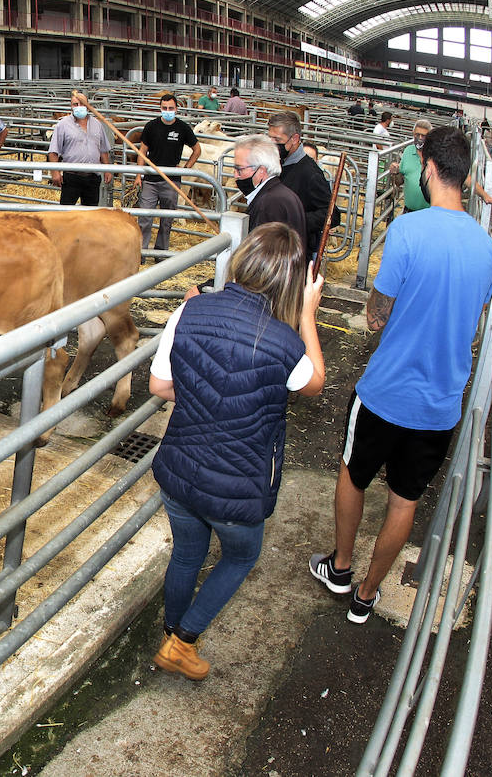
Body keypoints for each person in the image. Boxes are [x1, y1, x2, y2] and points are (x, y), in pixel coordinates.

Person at [309, 126, 492, 625]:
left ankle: (341, 567)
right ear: (467, 174)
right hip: (440, 402)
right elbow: (474, 326)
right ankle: (368, 594)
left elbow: (375, 315)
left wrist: (388, 311)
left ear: (429, 169)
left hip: (386, 391)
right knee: (404, 500)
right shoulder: (487, 250)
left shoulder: (407, 232)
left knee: (354, 475)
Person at [149, 222, 326, 680]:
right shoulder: (287, 344)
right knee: (241, 556)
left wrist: (205, 398)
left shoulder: (190, 310)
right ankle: (182, 642)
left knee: (187, 552)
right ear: (291, 281)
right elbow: (315, 385)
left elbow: (159, 385)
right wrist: (307, 314)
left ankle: (171, 629)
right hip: (239, 486)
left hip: (179, 467)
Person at [134, 92, 202, 250]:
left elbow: (197, 150)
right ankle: (141, 252)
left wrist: (186, 168)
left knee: (167, 220)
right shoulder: (151, 126)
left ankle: (161, 253)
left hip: (171, 181)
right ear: (160, 108)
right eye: (164, 108)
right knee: (145, 218)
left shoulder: (183, 128)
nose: (167, 110)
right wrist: (139, 175)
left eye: (171, 107)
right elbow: (142, 151)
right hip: (150, 179)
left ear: (176, 108)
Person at [268, 111, 333, 262]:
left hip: (295, 253)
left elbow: (331, 214)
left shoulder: (310, 173)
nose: (272, 144)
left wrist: (296, 219)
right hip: (273, 248)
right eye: (269, 138)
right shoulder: (275, 163)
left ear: (295, 139)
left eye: (277, 139)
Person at [232, 135, 307, 240]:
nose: (235, 175)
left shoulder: (270, 204)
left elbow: (264, 252)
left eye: (239, 169)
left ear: (261, 170)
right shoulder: (280, 194)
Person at [47, 92, 112, 207]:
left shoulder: (97, 124)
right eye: (75, 104)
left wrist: (107, 169)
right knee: (66, 212)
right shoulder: (63, 125)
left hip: (93, 176)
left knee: (91, 213)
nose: (78, 107)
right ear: (71, 107)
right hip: (72, 176)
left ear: (88, 106)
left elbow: (103, 150)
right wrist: (55, 173)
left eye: (82, 104)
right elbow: (53, 151)